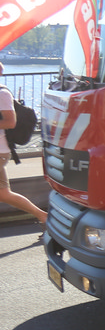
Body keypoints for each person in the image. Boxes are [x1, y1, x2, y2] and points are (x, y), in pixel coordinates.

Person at [0, 63, 49, 226]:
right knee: (4, 194)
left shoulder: (2, 94)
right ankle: (43, 216)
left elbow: (10, 122)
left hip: (0, 150)